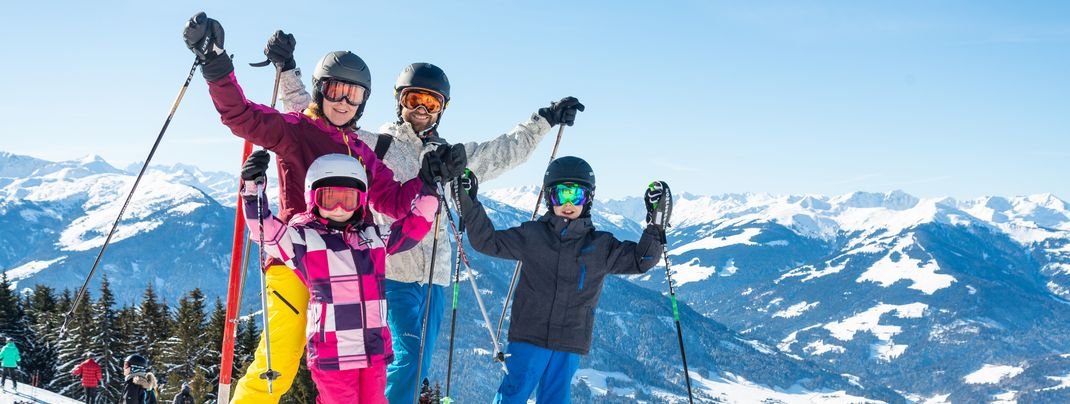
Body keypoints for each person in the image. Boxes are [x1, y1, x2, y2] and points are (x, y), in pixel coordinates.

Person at [269, 33, 585, 401]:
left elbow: (505, 151)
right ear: (398, 101)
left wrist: (543, 120)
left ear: (442, 108)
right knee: (407, 359)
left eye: (431, 102)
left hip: (436, 277)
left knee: (419, 361)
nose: (422, 108)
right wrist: (288, 71)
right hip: (390, 271)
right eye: (413, 98)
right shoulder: (373, 144)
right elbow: (314, 119)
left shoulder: (450, 155)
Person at [181, 13, 465, 402]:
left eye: (355, 95)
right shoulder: (295, 130)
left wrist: (427, 181)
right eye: (336, 91)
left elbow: (397, 202)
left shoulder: (361, 151)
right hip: (297, 258)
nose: (345, 102)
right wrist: (215, 63)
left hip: (347, 268)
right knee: (278, 360)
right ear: (321, 92)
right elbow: (241, 115)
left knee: (361, 374)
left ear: (365, 101)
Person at [453, 157, 670, 403]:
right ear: (549, 198)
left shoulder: (601, 246)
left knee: (555, 398)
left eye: (575, 196)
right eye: (560, 196)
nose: (567, 204)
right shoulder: (532, 236)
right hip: (528, 336)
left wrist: (656, 224)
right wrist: (470, 205)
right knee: (513, 393)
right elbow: (487, 242)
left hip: (570, 340)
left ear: (588, 199)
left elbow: (641, 260)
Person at [239, 151, 439, 403]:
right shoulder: (303, 240)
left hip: (373, 350)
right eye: (330, 199)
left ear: (361, 200)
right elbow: (265, 232)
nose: (339, 209)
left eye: (349, 199)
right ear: (313, 198)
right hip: (333, 355)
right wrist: (252, 189)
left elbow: (411, 229)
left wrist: (430, 192)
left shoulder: (372, 238)